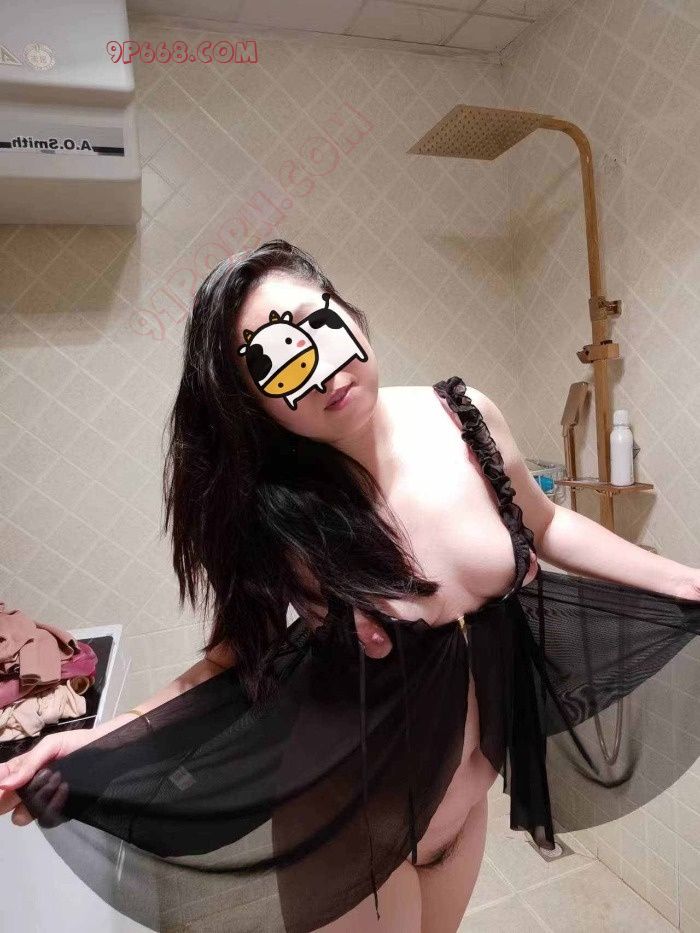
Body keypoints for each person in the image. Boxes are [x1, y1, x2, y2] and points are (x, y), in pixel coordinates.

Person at [1, 240, 699, 933]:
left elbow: (545, 525)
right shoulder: (277, 507)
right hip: (347, 830)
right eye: (272, 361)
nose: (319, 369)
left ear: (349, 311)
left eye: (316, 321)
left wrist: (688, 580)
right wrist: (103, 739)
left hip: (461, 812)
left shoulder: (465, 417)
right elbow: (233, 661)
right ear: (256, 402)